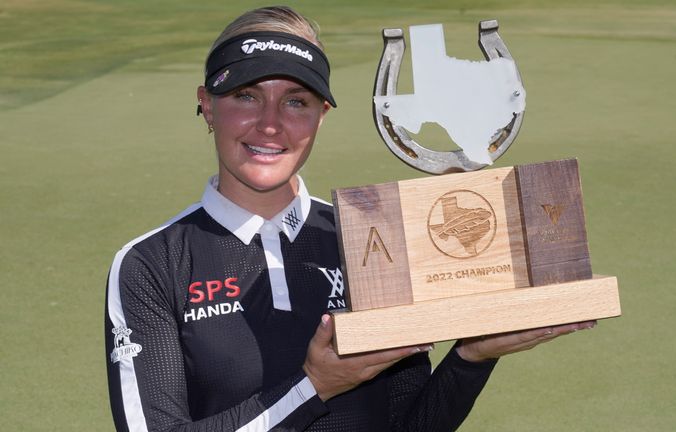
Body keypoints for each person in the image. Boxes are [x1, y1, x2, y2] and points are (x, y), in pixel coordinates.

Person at [105, 6, 595, 431]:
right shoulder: (153, 265)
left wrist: (472, 357)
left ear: (321, 115)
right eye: (246, 95)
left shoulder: (368, 238)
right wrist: (313, 387)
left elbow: (408, 424)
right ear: (207, 105)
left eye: (296, 101)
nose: (271, 123)